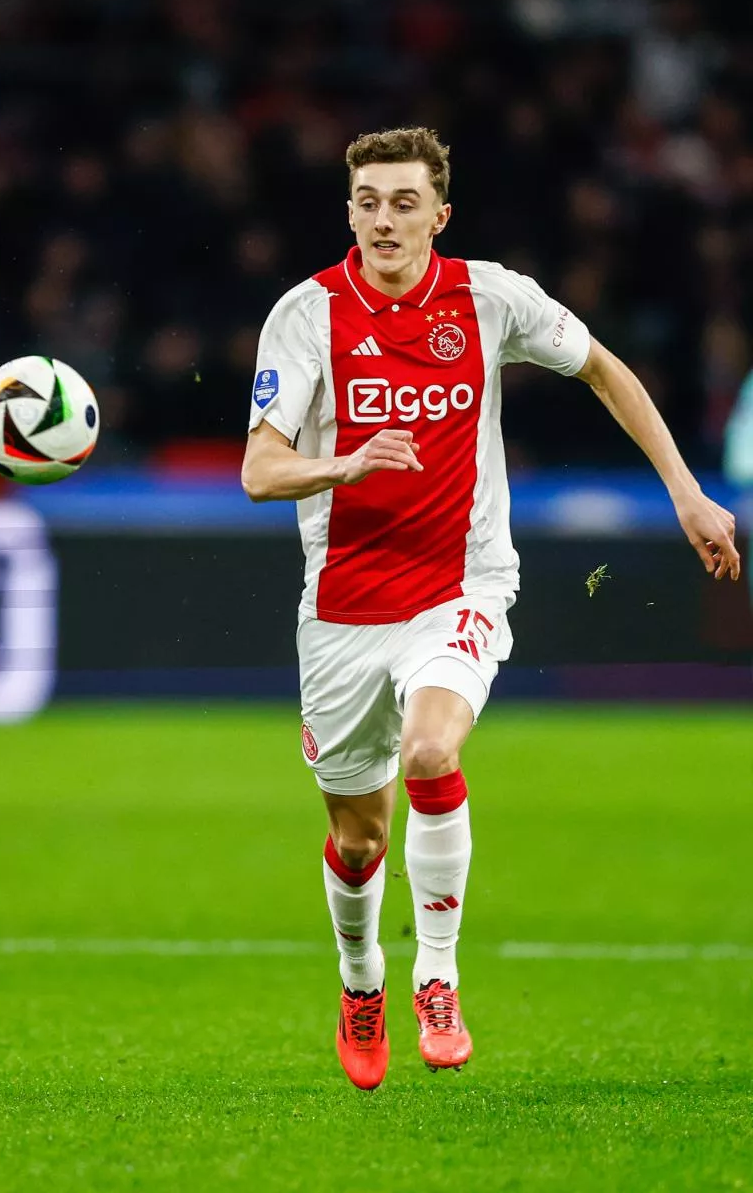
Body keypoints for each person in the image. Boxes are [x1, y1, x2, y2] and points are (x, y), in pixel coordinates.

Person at [241, 127, 740, 1091]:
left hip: (460, 582)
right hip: (343, 605)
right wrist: (344, 461)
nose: (384, 219)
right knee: (358, 838)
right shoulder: (306, 315)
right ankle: (361, 980)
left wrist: (684, 488)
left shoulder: (489, 296)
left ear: (440, 214)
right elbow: (261, 468)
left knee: (432, 750)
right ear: (349, 211)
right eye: (369, 202)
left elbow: (604, 368)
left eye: (403, 201)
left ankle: (437, 976)